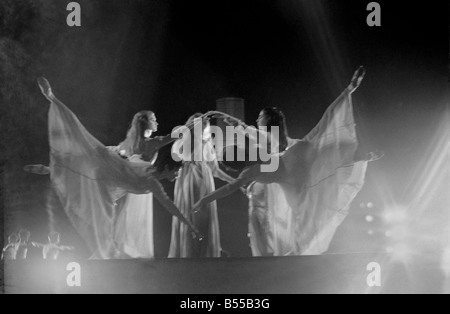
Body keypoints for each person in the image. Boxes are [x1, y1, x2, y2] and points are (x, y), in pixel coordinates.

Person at [194, 67, 381, 255]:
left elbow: (230, 187)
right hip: (293, 165)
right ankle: (351, 109)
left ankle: (355, 150)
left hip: (292, 175)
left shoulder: (251, 168)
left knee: (304, 219)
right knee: (322, 139)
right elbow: (248, 133)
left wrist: (204, 200)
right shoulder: (258, 154)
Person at [36, 77, 202, 259]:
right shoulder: (151, 148)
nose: (157, 122)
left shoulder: (132, 146)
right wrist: (193, 123)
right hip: (123, 177)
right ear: (146, 122)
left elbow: (112, 155)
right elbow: (176, 136)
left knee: (89, 152)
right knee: (86, 145)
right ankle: (54, 159)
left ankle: (53, 166)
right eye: (154, 120)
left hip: (121, 179)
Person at [168, 113, 235, 258]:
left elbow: (215, 170)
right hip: (189, 179)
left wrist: (234, 182)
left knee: (202, 215)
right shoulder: (184, 143)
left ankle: (203, 250)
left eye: (206, 125)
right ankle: (190, 251)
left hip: (202, 179)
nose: (205, 128)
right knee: (191, 213)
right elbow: (176, 154)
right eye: (203, 125)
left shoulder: (205, 143)